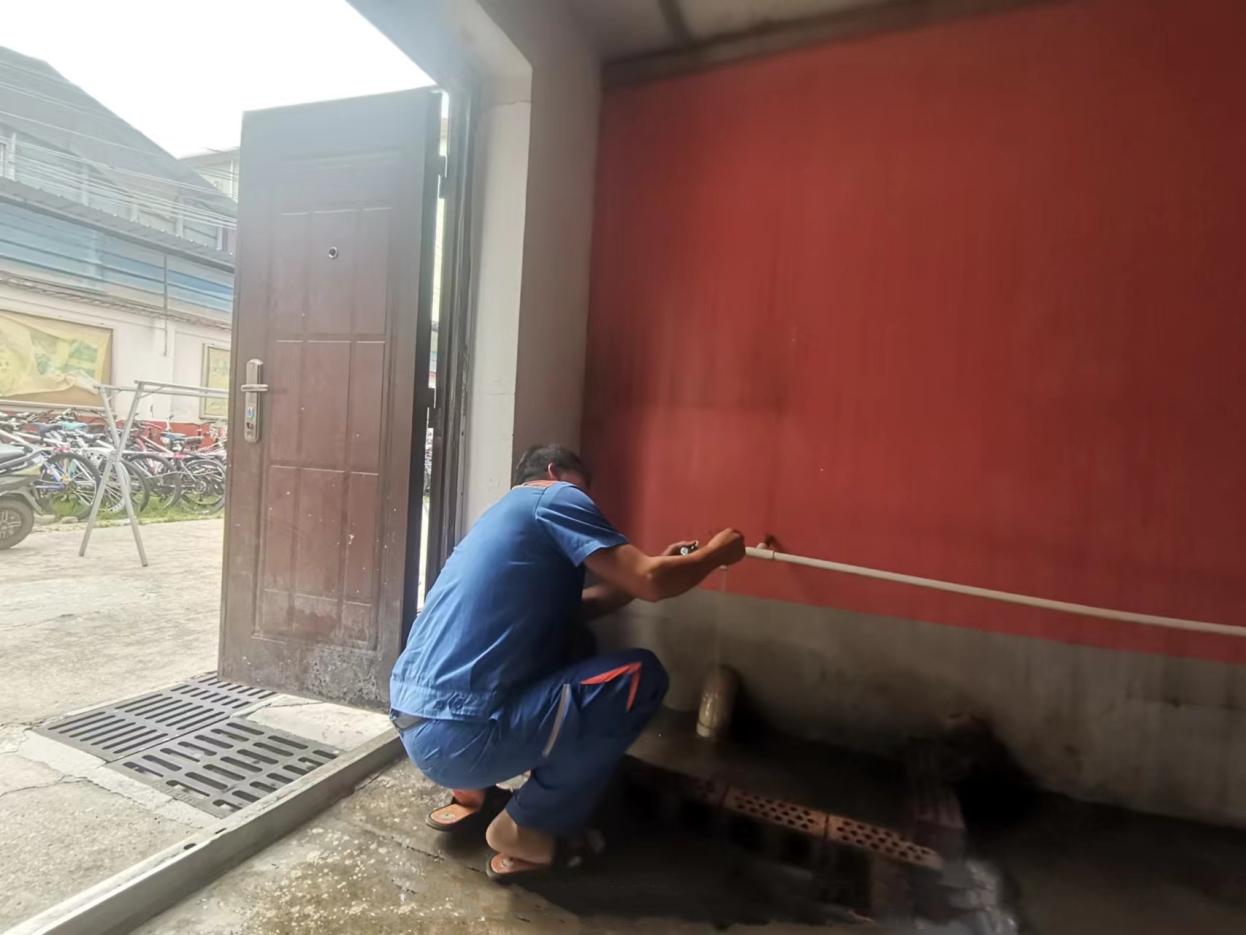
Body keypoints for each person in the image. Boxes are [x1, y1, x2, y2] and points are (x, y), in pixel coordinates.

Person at [389, 443, 746, 881]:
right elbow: (651, 581)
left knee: (573, 642)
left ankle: (472, 791)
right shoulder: (555, 495)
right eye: (585, 492)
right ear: (555, 472)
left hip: (415, 721)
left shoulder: (500, 519)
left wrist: (665, 565)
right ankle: (526, 827)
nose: (587, 504)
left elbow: (586, 606)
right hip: (462, 737)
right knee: (641, 678)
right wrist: (716, 554)